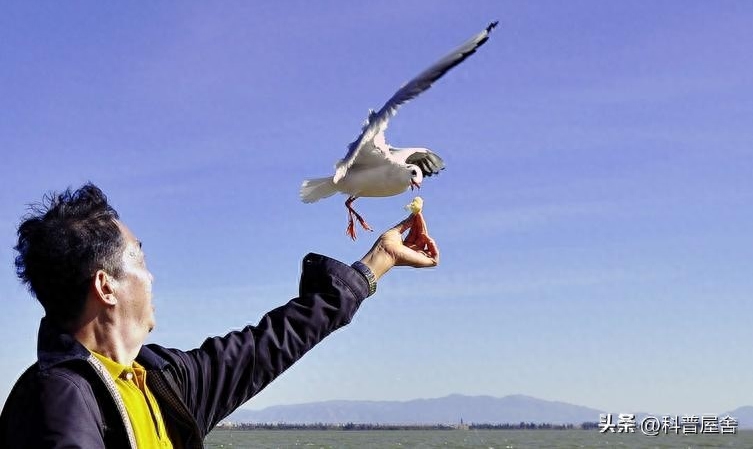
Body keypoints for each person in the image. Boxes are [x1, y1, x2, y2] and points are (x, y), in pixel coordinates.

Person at [0, 183, 439, 448]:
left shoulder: (158, 381)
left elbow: (268, 345)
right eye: (139, 257)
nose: (151, 275)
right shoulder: (59, 397)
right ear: (106, 286)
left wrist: (375, 262)